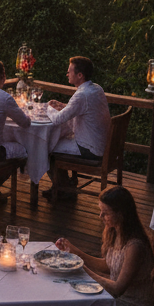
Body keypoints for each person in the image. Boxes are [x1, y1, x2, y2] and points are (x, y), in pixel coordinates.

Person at [45, 55, 111, 199]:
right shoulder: (96, 88)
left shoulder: (81, 95)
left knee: (45, 147)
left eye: (70, 71)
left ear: (80, 75)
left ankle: (63, 189)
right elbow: (83, 109)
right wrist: (63, 106)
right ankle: (64, 186)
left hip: (89, 148)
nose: (67, 74)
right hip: (102, 144)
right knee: (52, 144)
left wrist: (47, 107)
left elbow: (57, 119)